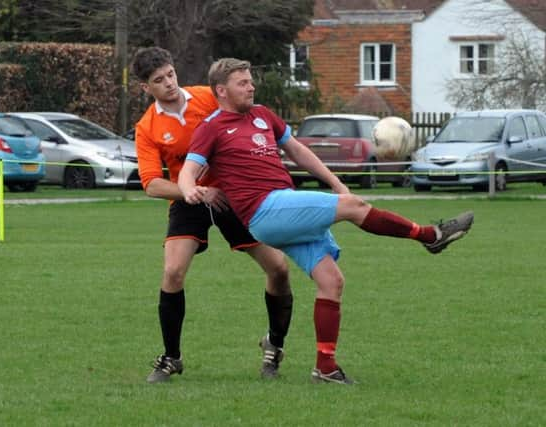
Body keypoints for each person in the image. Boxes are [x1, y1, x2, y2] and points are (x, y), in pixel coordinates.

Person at [179, 58, 474, 385]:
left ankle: (326, 367)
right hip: (264, 211)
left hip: (285, 207)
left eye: (250, 81)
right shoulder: (211, 126)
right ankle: (429, 235)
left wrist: (334, 183)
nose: (251, 87)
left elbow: (300, 152)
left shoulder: (263, 115)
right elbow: (187, 172)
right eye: (242, 83)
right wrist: (192, 190)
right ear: (222, 90)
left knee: (332, 281)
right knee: (354, 206)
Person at [132, 48, 294, 383]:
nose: (169, 84)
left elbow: (246, 117)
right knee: (173, 272)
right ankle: (171, 357)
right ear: (145, 87)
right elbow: (152, 184)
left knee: (278, 268)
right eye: (158, 81)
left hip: (234, 194)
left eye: (170, 74)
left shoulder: (208, 98)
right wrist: (194, 191)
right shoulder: (147, 127)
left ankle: (274, 345)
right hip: (188, 198)